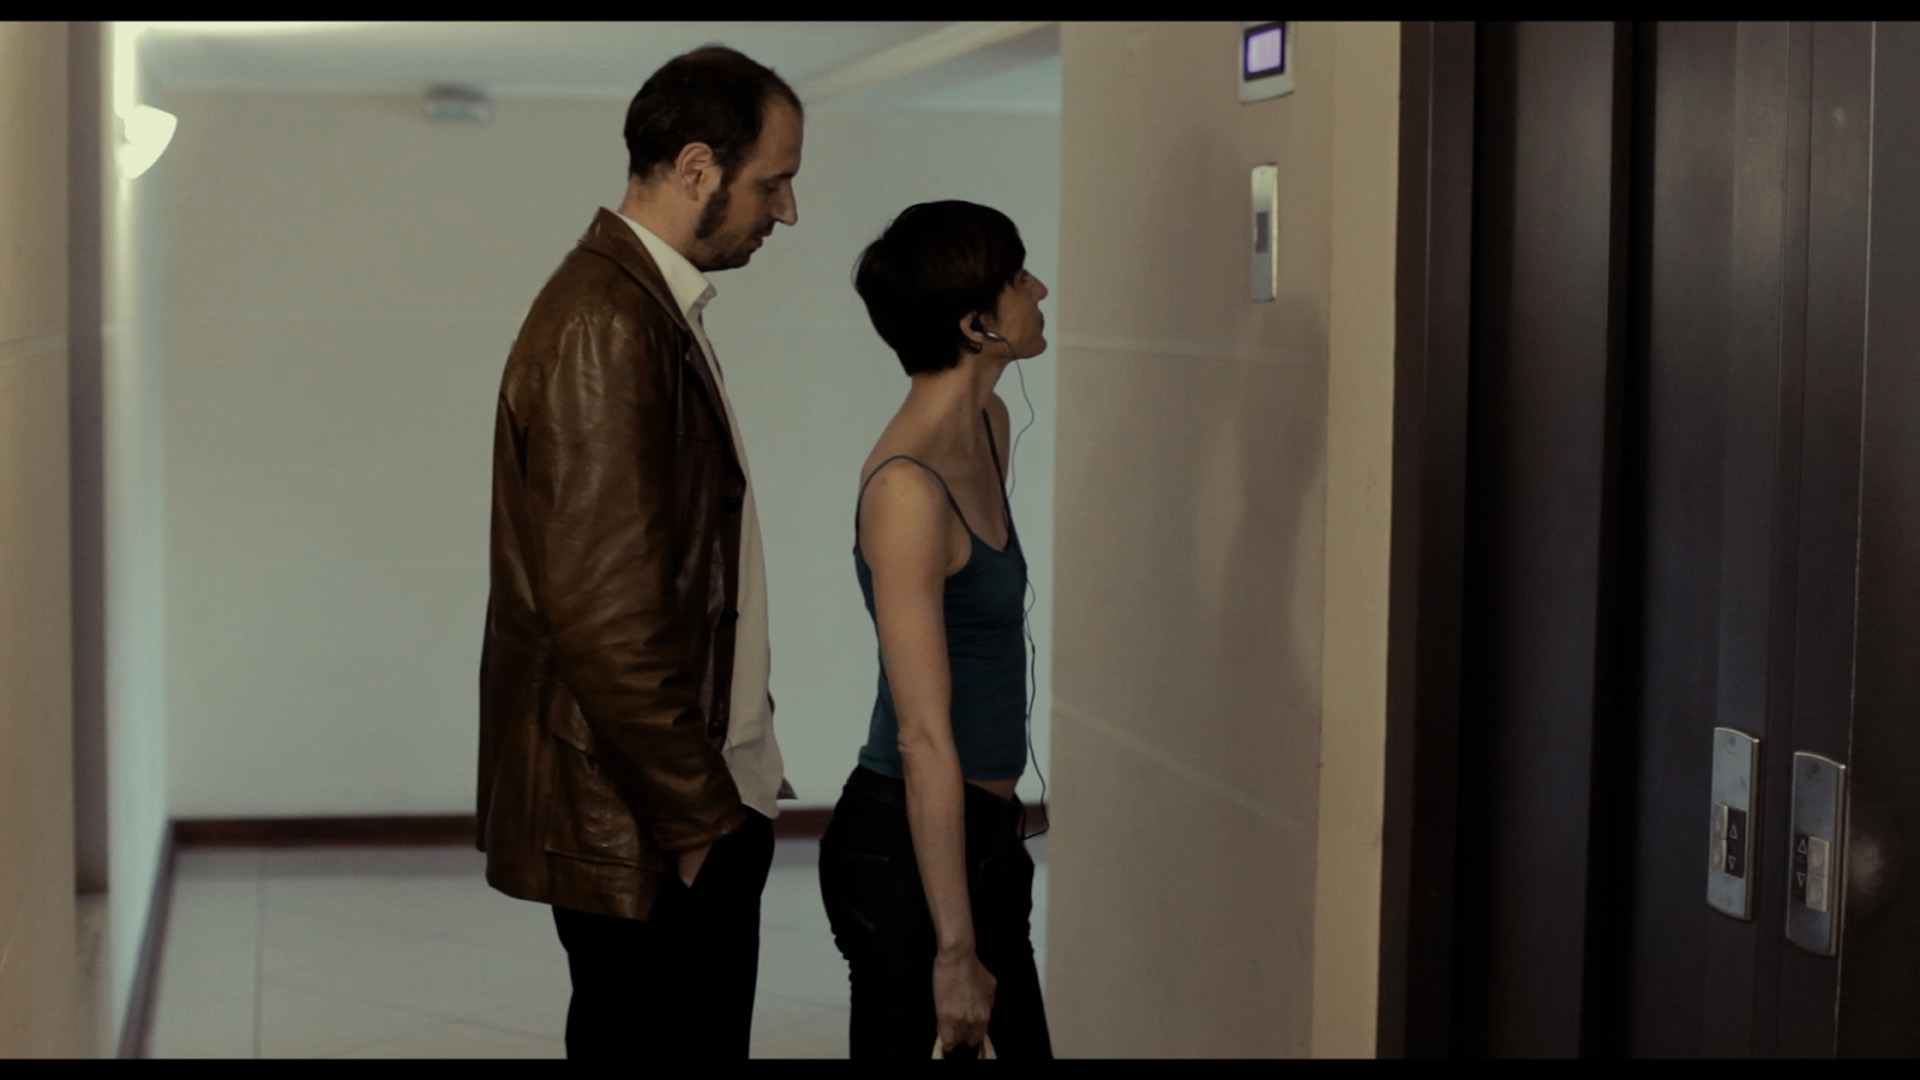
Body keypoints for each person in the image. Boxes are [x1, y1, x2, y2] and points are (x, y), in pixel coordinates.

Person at [476, 45, 802, 1059]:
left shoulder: (644, 307)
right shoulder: (605, 322)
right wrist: (701, 820)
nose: (788, 211)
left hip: (672, 802)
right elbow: (605, 615)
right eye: (774, 182)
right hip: (655, 819)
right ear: (698, 168)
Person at [818, 201, 1054, 1059]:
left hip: (984, 838)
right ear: (975, 323)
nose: (1040, 289)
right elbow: (922, 735)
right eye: (1018, 277)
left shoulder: (989, 428)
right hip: (902, 853)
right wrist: (954, 951)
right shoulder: (907, 492)